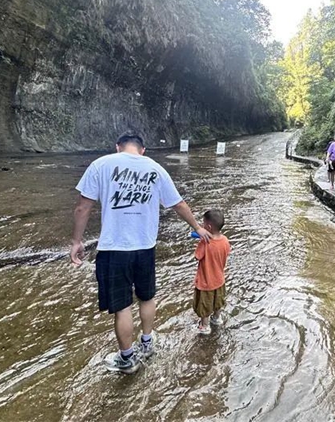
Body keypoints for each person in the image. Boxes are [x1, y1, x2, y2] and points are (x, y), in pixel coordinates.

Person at [70, 131, 210, 374]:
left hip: (114, 249)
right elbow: (178, 203)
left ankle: (127, 359)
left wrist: (77, 241)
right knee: (147, 297)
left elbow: (83, 208)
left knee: (122, 306)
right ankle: (147, 343)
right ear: (142, 150)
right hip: (145, 247)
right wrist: (197, 227)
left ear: (118, 147)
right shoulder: (155, 168)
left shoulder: (100, 165)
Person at [194, 209, 231, 335]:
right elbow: (226, 253)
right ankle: (217, 318)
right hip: (219, 279)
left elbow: (197, 256)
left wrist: (200, 242)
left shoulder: (205, 242)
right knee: (218, 301)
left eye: (203, 224)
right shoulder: (225, 240)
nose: (202, 226)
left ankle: (204, 326)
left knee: (204, 305)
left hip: (206, 281)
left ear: (208, 227)